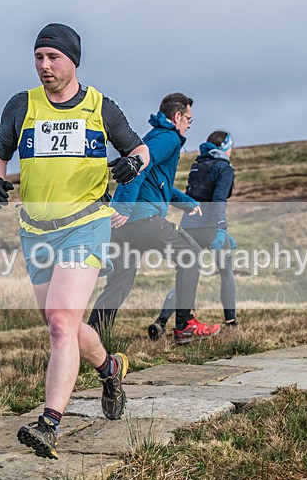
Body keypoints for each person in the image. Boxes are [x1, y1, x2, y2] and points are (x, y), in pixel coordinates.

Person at [0, 23, 150, 459]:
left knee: (60, 321)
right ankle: (110, 367)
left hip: (86, 223)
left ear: (73, 60)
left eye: (53, 58)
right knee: (66, 324)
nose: (44, 66)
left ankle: (49, 423)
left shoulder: (100, 107)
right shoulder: (22, 106)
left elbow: (140, 149)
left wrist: (132, 166)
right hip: (36, 229)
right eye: (38, 57)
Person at [87, 93, 222, 344]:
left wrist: (186, 203)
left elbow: (158, 183)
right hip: (141, 220)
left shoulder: (155, 137)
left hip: (127, 225)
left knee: (119, 283)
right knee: (191, 255)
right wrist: (123, 207)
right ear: (177, 116)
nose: (190, 125)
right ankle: (185, 326)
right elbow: (138, 165)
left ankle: (91, 339)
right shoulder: (168, 137)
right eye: (189, 119)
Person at [148, 131, 237, 340]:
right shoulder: (225, 168)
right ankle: (231, 321)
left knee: (185, 276)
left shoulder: (198, 165)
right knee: (226, 272)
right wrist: (222, 228)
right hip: (211, 228)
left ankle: (161, 321)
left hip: (189, 224)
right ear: (225, 147)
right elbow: (218, 200)